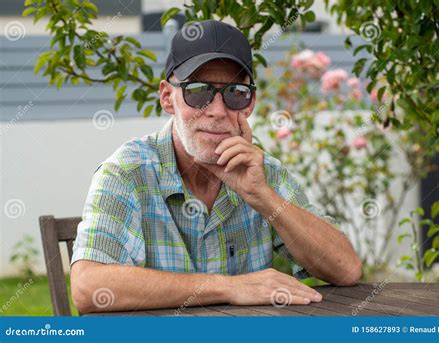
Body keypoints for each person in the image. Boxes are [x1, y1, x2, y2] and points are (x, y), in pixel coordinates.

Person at [71, 20, 362, 314]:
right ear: (167, 98)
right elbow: (89, 287)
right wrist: (231, 287)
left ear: (249, 104)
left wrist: (262, 196)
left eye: (236, 93)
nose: (217, 110)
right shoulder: (128, 171)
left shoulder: (261, 172)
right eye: (198, 91)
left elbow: (346, 270)